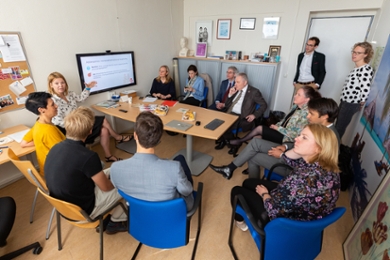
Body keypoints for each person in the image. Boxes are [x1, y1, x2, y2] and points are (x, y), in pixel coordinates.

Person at [230, 124, 340, 231]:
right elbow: (291, 160)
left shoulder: (301, 181)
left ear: (318, 148)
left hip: (284, 223)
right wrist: (292, 150)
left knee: (236, 191)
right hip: (303, 214)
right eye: (300, 135)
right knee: (248, 183)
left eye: (304, 138)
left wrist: (264, 194)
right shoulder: (325, 166)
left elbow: (274, 210)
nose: (296, 138)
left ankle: (241, 222)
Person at [210, 97, 340, 180]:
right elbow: (300, 144)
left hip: (294, 168)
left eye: (311, 114)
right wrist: (286, 146)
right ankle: (230, 169)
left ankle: (251, 185)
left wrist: (282, 154)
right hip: (289, 151)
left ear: (325, 116)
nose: (308, 116)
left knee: (253, 155)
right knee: (255, 142)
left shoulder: (330, 137)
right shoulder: (319, 127)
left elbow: (308, 163)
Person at [44, 107, 127, 234]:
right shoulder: (88, 156)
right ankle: (114, 221)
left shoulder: (55, 147)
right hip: (85, 210)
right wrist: (118, 181)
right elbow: (107, 188)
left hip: (65, 208)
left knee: (114, 169)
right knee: (128, 184)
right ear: (90, 131)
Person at [111, 112, 194, 211]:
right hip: (172, 211)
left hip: (138, 211)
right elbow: (187, 191)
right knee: (180, 160)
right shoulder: (173, 168)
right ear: (159, 140)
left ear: (135, 135)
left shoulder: (115, 168)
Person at [47, 72, 132, 162]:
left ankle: (108, 156)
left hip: (81, 121)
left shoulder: (69, 94)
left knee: (104, 130)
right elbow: (58, 121)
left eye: (62, 82)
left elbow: (81, 98)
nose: (60, 85)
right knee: (103, 120)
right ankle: (118, 137)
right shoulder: (52, 101)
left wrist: (88, 88)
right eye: (57, 83)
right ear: (51, 85)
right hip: (71, 129)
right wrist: (79, 125)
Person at [227, 86, 320, 154]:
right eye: (296, 93)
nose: (295, 96)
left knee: (260, 128)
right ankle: (253, 159)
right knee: (256, 138)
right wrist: (277, 125)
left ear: (307, 99)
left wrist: (278, 128)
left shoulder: (306, 114)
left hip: (286, 138)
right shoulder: (295, 106)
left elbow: (295, 134)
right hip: (281, 131)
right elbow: (285, 120)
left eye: (298, 95)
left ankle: (240, 141)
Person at [215, 73, 267, 154]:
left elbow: (264, 105)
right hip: (229, 112)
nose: (235, 84)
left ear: (245, 82)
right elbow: (228, 105)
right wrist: (230, 95)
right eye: (235, 82)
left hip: (240, 116)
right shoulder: (235, 89)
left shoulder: (254, 92)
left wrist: (254, 115)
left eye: (237, 82)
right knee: (215, 120)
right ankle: (225, 140)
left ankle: (234, 144)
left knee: (224, 126)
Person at [21, 92, 65, 177]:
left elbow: (23, 143)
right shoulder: (48, 130)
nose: (56, 106)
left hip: (47, 170)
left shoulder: (38, 123)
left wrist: (40, 142)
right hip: (58, 173)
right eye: (52, 105)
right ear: (41, 110)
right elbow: (64, 155)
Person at [335, 42, 374, 139]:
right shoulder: (356, 68)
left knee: (339, 129)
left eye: (358, 53)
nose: (354, 55)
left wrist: (361, 103)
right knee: (337, 127)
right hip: (345, 101)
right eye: (354, 52)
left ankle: (332, 152)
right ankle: (331, 151)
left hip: (351, 103)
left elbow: (365, 88)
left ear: (366, 54)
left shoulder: (365, 69)